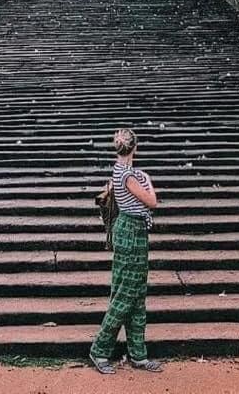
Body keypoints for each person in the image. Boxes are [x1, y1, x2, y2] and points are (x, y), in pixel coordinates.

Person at [89, 128, 162, 375]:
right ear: (135, 148)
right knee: (126, 293)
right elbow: (152, 202)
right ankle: (99, 349)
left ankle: (138, 354)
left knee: (135, 292)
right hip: (131, 230)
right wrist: (148, 180)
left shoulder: (118, 170)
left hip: (130, 230)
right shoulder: (131, 176)